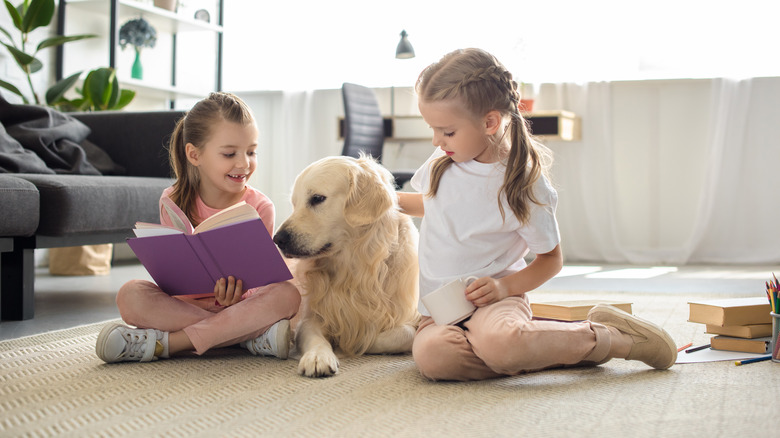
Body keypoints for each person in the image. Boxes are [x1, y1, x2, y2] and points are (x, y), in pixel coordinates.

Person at [397, 48, 677, 381]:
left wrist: (503, 289)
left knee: (502, 345)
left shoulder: (523, 185)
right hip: (440, 311)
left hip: (494, 303)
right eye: (433, 129)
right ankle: (540, 351)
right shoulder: (445, 161)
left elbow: (550, 260)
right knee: (434, 359)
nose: (436, 140)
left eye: (447, 131)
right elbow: (434, 206)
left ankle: (612, 339)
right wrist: (384, 200)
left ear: (489, 122)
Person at [95, 92, 301, 363]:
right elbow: (172, 277)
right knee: (130, 294)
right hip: (186, 306)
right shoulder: (171, 199)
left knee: (287, 295)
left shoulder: (261, 206)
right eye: (229, 154)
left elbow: (261, 280)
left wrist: (239, 293)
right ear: (194, 154)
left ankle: (167, 344)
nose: (244, 163)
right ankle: (248, 338)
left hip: (240, 305)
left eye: (251, 152)